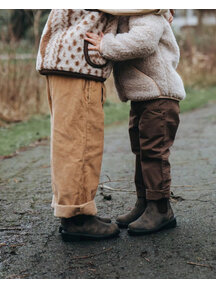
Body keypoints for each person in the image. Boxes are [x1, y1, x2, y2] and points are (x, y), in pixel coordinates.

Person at [36, 9, 165, 241]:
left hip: (67, 60)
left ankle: (74, 211)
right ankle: (77, 216)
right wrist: (160, 7)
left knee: (69, 140)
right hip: (76, 63)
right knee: (81, 141)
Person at [85, 10, 186, 235]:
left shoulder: (148, 11)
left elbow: (143, 42)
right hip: (143, 97)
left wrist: (106, 44)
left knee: (154, 152)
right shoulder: (128, 14)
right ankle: (144, 202)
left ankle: (161, 208)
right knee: (141, 150)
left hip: (159, 96)